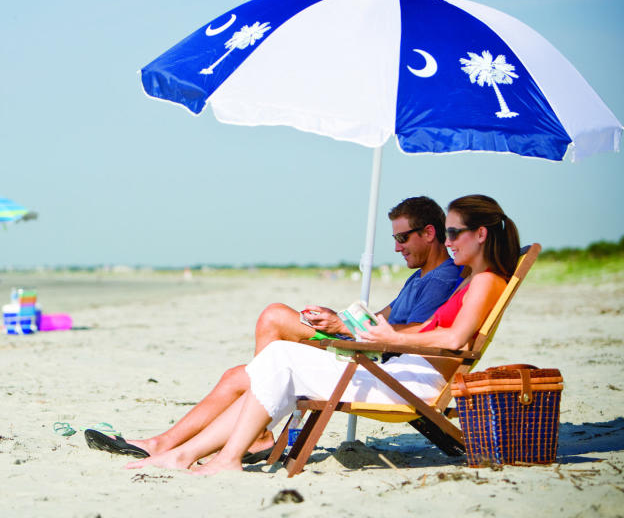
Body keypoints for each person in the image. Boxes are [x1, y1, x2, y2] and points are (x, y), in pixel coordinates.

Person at [126, 194, 520, 475]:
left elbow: (454, 341)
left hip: (411, 381)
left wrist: (390, 338)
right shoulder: (472, 279)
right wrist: (357, 327)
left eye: (455, 234)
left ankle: (214, 455)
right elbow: (439, 331)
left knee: (279, 356)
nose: (449, 243)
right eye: (447, 234)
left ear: (481, 234)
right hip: (403, 373)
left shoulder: (484, 280)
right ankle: (193, 454)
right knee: (277, 362)